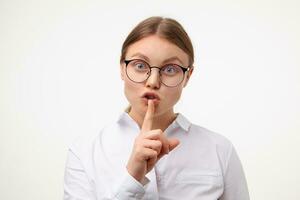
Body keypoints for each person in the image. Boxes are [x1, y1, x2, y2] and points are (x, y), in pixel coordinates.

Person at [63, 16, 250, 200]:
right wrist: (132, 177)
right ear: (122, 68)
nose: (153, 82)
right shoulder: (85, 151)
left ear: (187, 76)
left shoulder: (219, 150)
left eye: (170, 69)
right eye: (140, 65)